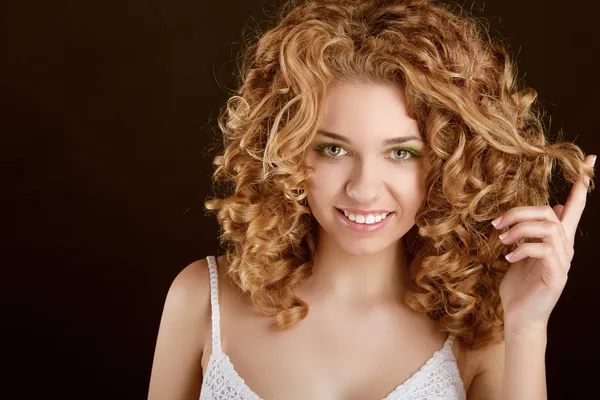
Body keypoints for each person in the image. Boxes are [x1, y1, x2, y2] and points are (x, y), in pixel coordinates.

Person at [148, 0, 596, 399]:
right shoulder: (202, 301)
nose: (363, 188)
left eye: (400, 153)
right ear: (286, 148)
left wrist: (527, 326)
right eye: (334, 149)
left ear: (449, 162)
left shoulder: (478, 333)